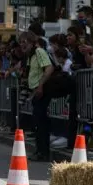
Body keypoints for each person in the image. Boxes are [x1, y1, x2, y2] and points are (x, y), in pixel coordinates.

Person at [20, 31, 54, 161]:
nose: (22, 45)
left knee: (40, 121)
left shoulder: (39, 52)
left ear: (32, 42)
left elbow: (49, 68)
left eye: (25, 42)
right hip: (35, 92)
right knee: (38, 122)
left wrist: (40, 85)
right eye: (21, 42)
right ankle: (40, 151)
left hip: (42, 90)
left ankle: (43, 152)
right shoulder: (30, 56)